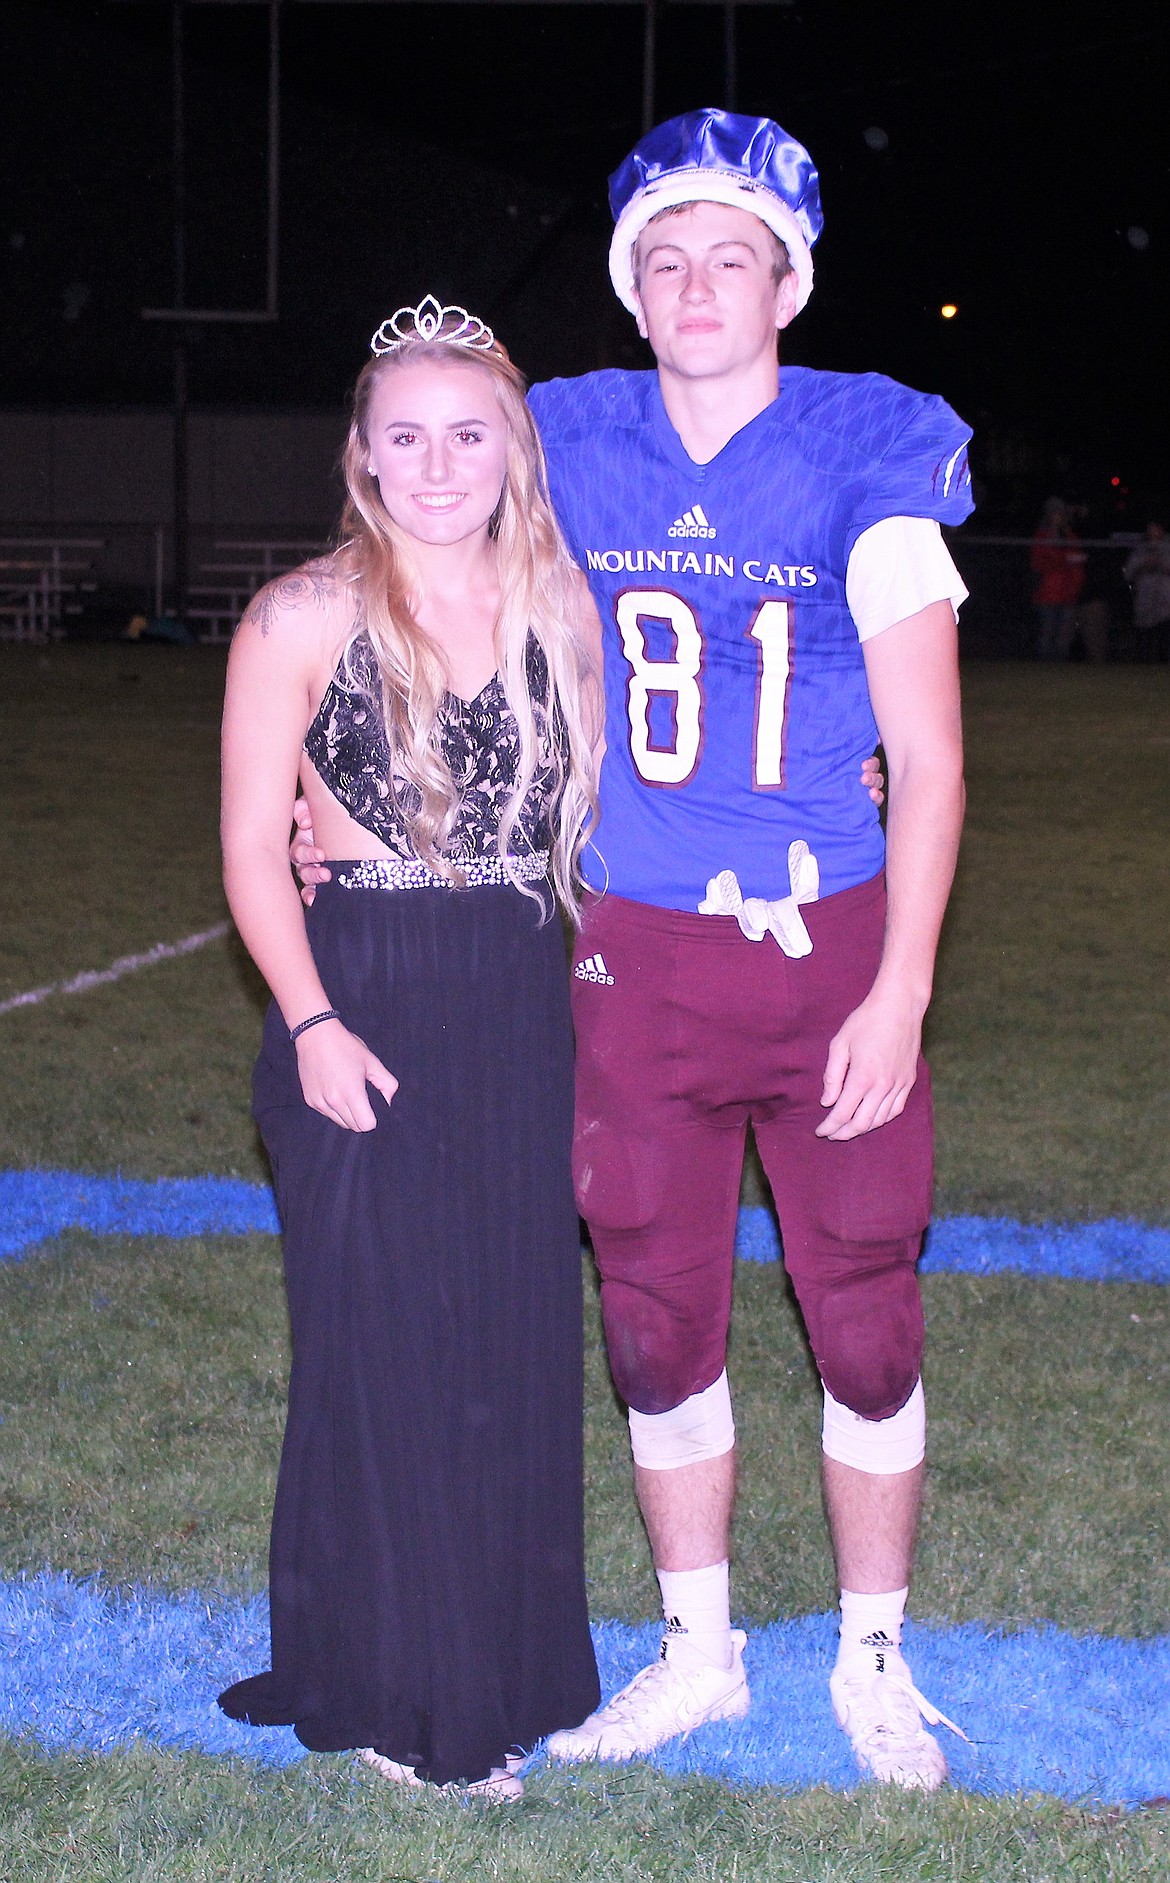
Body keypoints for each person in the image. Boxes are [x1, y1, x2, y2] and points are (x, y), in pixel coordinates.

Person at [296, 108, 970, 1792]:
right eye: (661, 259)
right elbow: (409, 518)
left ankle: (875, 1651)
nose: (692, 285)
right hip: (637, 954)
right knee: (657, 1319)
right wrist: (316, 772)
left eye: (728, 256)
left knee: (867, 1314)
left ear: (787, 281)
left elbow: (935, 751)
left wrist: (904, 982)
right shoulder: (571, 435)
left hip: (831, 936)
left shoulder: (864, 443)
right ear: (628, 284)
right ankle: (699, 1649)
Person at [217, 300, 603, 1799]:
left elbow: (631, 808)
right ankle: (403, 1693)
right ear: (362, 456)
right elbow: (254, 851)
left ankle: (495, 1658)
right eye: (405, 436)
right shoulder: (299, 616)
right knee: (381, 1349)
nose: (437, 464)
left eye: (469, 433)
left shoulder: (564, 609)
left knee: (503, 1346)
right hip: (360, 995)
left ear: (512, 448)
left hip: (520, 998)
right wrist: (310, 1020)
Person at [1030, 496, 1085, 659]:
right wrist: (1063, 559)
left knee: (1065, 634)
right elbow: (1038, 562)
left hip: (1068, 593)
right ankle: (1043, 666)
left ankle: (1061, 666)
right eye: (1054, 512)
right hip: (1047, 593)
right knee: (1047, 631)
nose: (1057, 516)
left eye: (1060, 513)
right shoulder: (1041, 537)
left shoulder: (1071, 537)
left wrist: (1075, 586)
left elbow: (1078, 561)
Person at [1123, 521, 1170, 662]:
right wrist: (1144, 565)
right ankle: (1144, 663)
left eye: (1156, 529)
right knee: (1145, 636)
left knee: (1165, 635)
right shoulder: (1140, 549)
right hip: (1144, 599)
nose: (1153, 533)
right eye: (1150, 530)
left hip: (1165, 601)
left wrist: (1161, 565)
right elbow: (1128, 574)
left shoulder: (1168, 547)